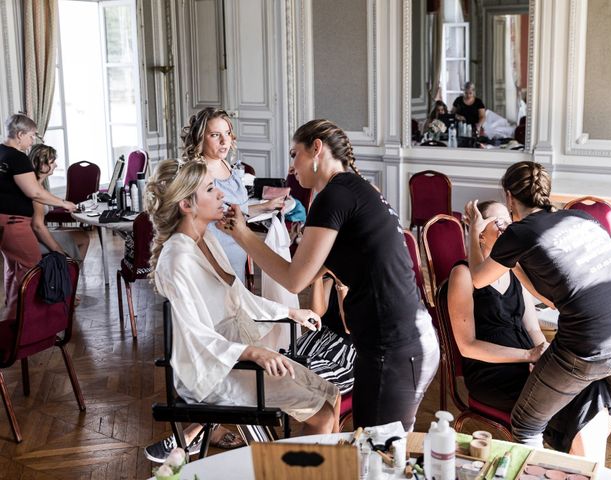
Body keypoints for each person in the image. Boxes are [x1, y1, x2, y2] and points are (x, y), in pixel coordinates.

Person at [219, 119, 440, 431]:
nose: (292, 167)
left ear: (317, 149)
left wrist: (243, 235)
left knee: (377, 453)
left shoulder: (333, 196)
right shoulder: (356, 190)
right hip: (399, 342)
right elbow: (308, 275)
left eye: (295, 154)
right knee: (376, 447)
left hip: (394, 346)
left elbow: (295, 279)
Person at [143, 158, 339, 462]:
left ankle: (307, 470)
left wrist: (290, 313)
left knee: (331, 394)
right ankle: (299, 472)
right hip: (212, 369)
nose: (221, 194)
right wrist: (252, 353)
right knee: (323, 414)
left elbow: (239, 297)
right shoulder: (176, 259)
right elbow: (195, 335)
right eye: (210, 188)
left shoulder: (205, 238)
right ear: (186, 204)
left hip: (233, 354)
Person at [465, 161, 611, 475]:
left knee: (526, 423)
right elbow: (552, 300)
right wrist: (511, 261)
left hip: (591, 341)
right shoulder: (579, 217)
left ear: (509, 197)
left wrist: (476, 233)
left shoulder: (519, 232)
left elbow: (477, 278)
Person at [450, 200, 611, 461]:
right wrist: (528, 356)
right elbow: (466, 346)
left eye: (508, 220)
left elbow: (532, 329)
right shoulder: (463, 274)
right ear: (480, 230)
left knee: (592, 388)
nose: (507, 227)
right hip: (493, 374)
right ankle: (584, 469)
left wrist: (545, 356)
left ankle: (584, 469)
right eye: (498, 221)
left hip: (528, 365)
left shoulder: (515, 270)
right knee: (578, 402)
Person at [181, 108, 286, 284]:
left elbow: (234, 210)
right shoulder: (197, 174)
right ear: (200, 138)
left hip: (237, 251)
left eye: (227, 133)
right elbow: (191, 226)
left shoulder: (227, 166)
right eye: (215, 135)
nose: (224, 140)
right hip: (212, 256)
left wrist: (264, 207)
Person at [0, 113, 76, 321]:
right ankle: (23, 327)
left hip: (4, 222)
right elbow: (35, 192)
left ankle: (11, 320)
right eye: (31, 136)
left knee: (13, 272)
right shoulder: (17, 157)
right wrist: (63, 203)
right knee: (31, 274)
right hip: (15, 224)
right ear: (20, 134)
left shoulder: (1, 152)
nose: (32, 141)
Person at [29, 144, 89, 262]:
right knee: (84, 238)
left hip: (34, 235)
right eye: (52, 162)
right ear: (42, 164)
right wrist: (58, 249)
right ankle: (70, 274)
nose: (56, 165)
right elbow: (37, 226)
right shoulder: (36, 190)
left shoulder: (35, 185)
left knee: (79, 234)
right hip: (33, 241)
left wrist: (65, 204)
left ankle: (70, 273)